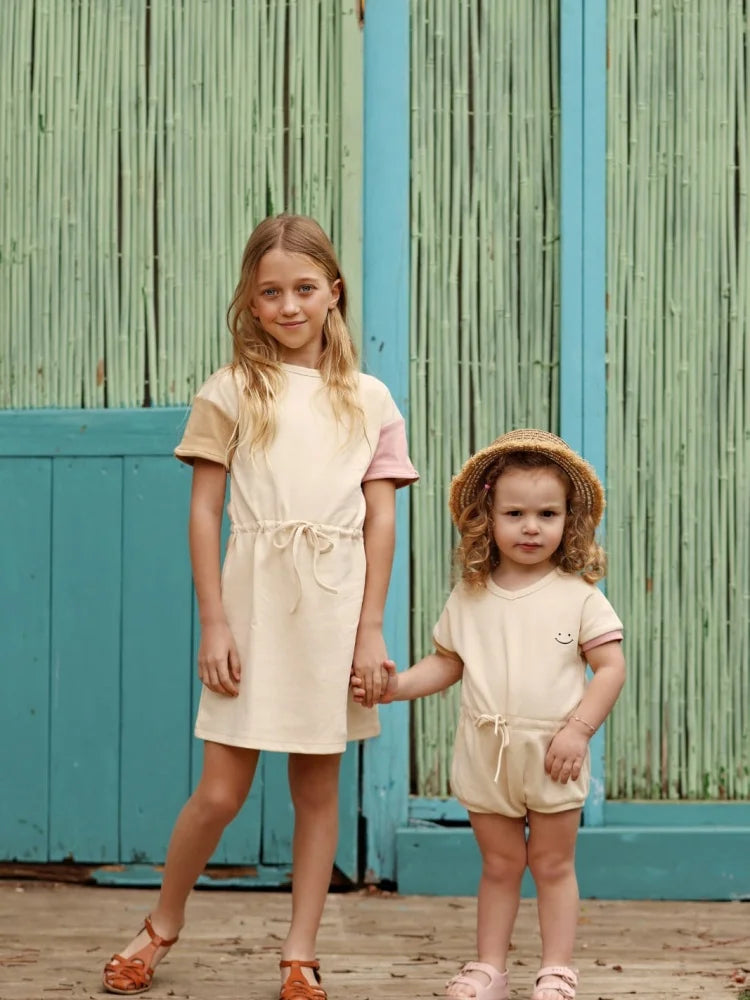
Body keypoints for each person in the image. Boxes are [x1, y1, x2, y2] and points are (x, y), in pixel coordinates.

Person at [102, 214, 418, 999]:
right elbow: (205, 512)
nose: (289, 306)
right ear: (250, 300)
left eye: (305, 289)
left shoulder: (371, 400)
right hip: (252, 605)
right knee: (220, 791)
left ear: (333, 294)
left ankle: (300, 955)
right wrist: (215, 620)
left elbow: (381, 519)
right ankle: (158, 928)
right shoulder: (232, 390)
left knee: (317, 792)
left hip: (335, 610)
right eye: (271, 292)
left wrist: (370, 627)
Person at [352, 429, 625, 1000]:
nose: (531, 526)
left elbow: (612, 669)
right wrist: (394, 687)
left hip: (553, 754)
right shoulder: (469, 595)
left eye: (547, 514)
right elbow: (446, 664)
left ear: (568, 521)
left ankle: (556, 970)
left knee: (551, 865)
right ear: (487, 518)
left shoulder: (579, 595)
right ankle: (489, 968)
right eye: (516, 513)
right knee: (500, 865)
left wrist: (579, 731)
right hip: (486, 756)